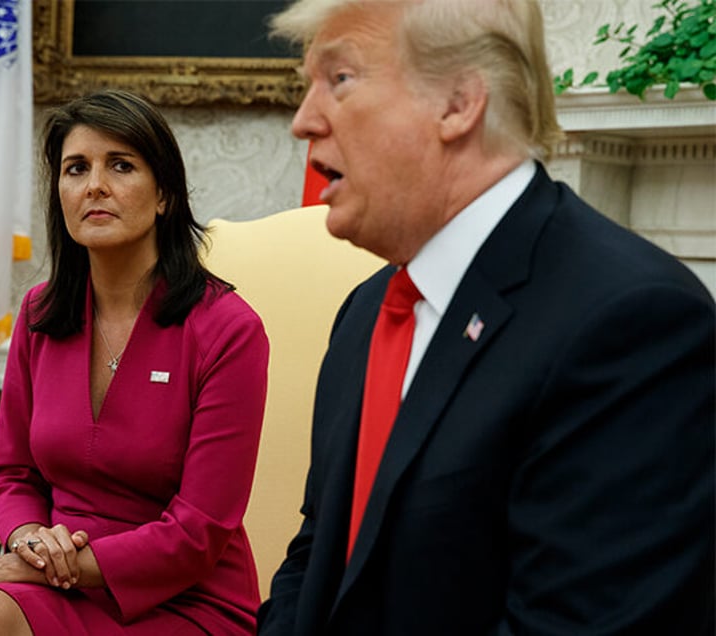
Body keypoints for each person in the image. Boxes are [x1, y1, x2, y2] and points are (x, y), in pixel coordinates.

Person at [258, 1, 715, 634]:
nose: (303, 122)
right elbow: (316, 559)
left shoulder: (634, 324)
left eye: (340, 80)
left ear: (457, 104)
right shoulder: (367, 312)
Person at [0, 89, 270, 635]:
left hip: (184, 601)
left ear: (165, 193)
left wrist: (12, 566)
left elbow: (197, 535)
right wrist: (27, 540)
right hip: (55, 583)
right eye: (77, 168)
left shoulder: (229, 330)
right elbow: (12, 474)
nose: (94, 184)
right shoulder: (40, 314)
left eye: (120, 165)